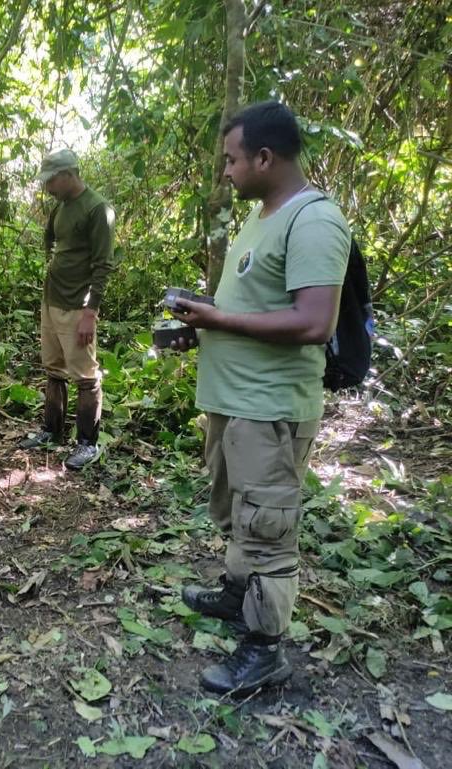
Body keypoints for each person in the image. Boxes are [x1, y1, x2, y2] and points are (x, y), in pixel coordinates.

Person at [166, 101, 351, 696]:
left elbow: (313, 322)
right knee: (239, 512)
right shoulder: (264, 216)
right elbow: (254, 307)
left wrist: (218, 317)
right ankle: (235, 593)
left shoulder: (315, 221)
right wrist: (205, 323)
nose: (226, 171)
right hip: (236, 401)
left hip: (271, 407)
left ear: (265, 158)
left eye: (232, 159)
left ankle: (264, 650)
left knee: (268, 529)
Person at [18, 149, 115, 470]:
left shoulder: (97, 208)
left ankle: (88, 443)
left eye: (51, 180)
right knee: (53, 368)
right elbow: (54, 244)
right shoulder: (61, 207)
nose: (47, 188)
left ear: (68, 175)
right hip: (52, 301)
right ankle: (51, 430)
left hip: (77, 305)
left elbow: (103, 265)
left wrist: (91, 311)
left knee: (85, 375)